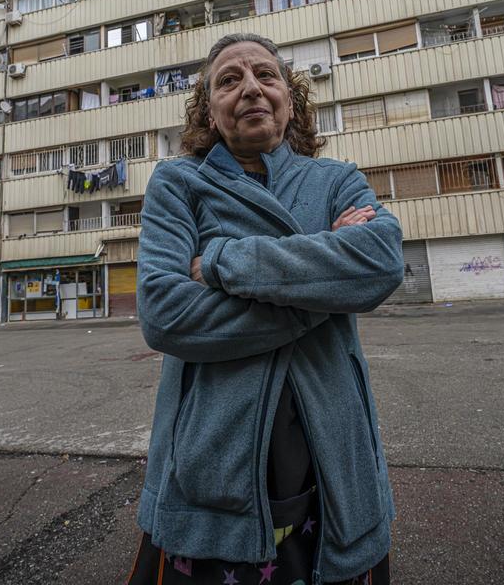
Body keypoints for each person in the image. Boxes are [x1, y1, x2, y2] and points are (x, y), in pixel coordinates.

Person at [127, 33, 404, 585]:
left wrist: (227, 262)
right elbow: (165, 312)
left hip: (331, 456)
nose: (251, 88)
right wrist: (322, 286)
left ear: (289, 98)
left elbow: (379, 260)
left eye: (266, 75)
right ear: (209, 109)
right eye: (229, 80)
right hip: (211, 459)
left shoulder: (336, 179)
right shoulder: (179, 184)